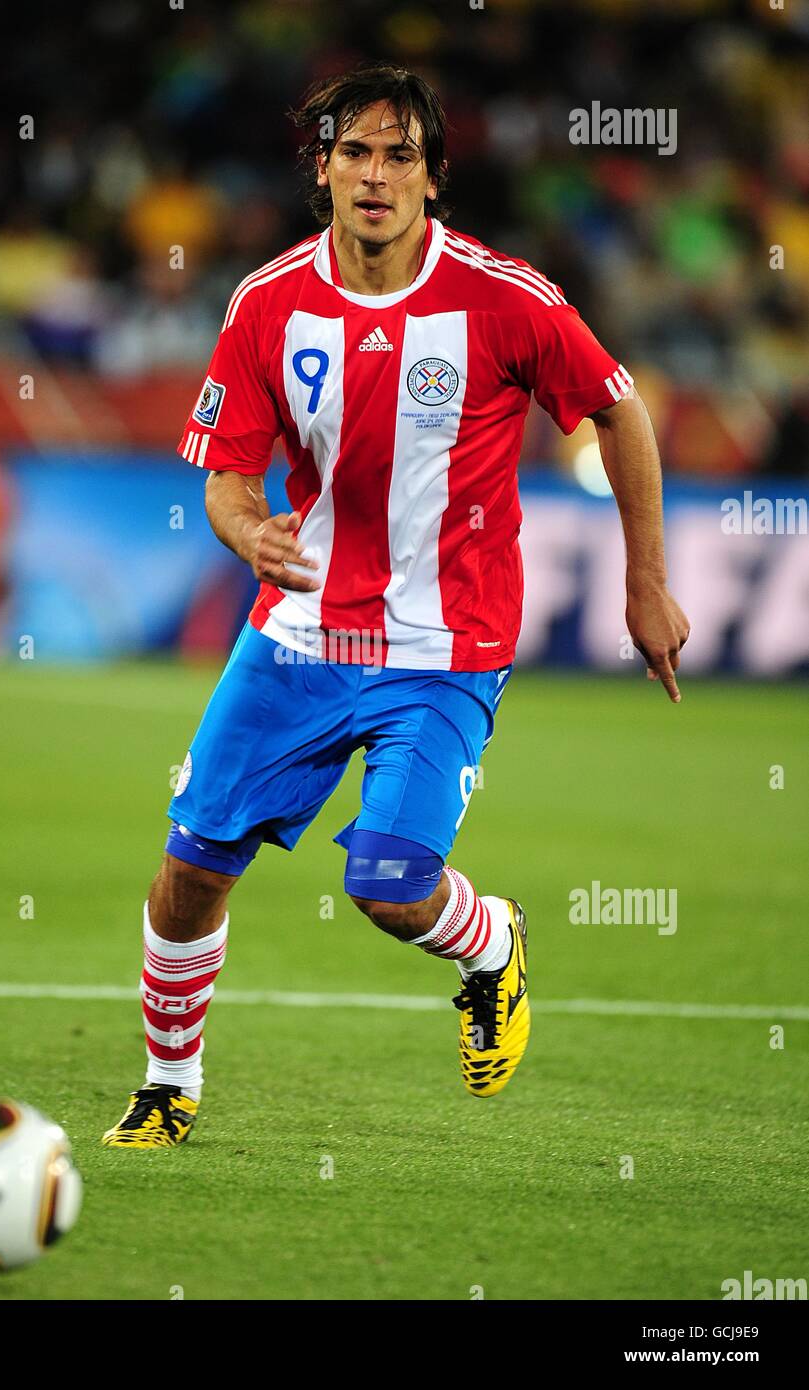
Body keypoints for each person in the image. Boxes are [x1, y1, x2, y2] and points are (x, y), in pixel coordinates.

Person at [102, 65, 689, 1149]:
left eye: (399, 154)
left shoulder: (506, 297)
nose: (375, 175)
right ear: (318, 168)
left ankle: (487, 943)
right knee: (189, 868)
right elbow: (226, 478)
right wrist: (245, 534)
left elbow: (618, 410)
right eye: (354, 152)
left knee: (385, 881)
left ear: (434, 176)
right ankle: (167, 1085)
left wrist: (644, 580)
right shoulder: (268, 304)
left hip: (446, 641)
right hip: (300, 635)